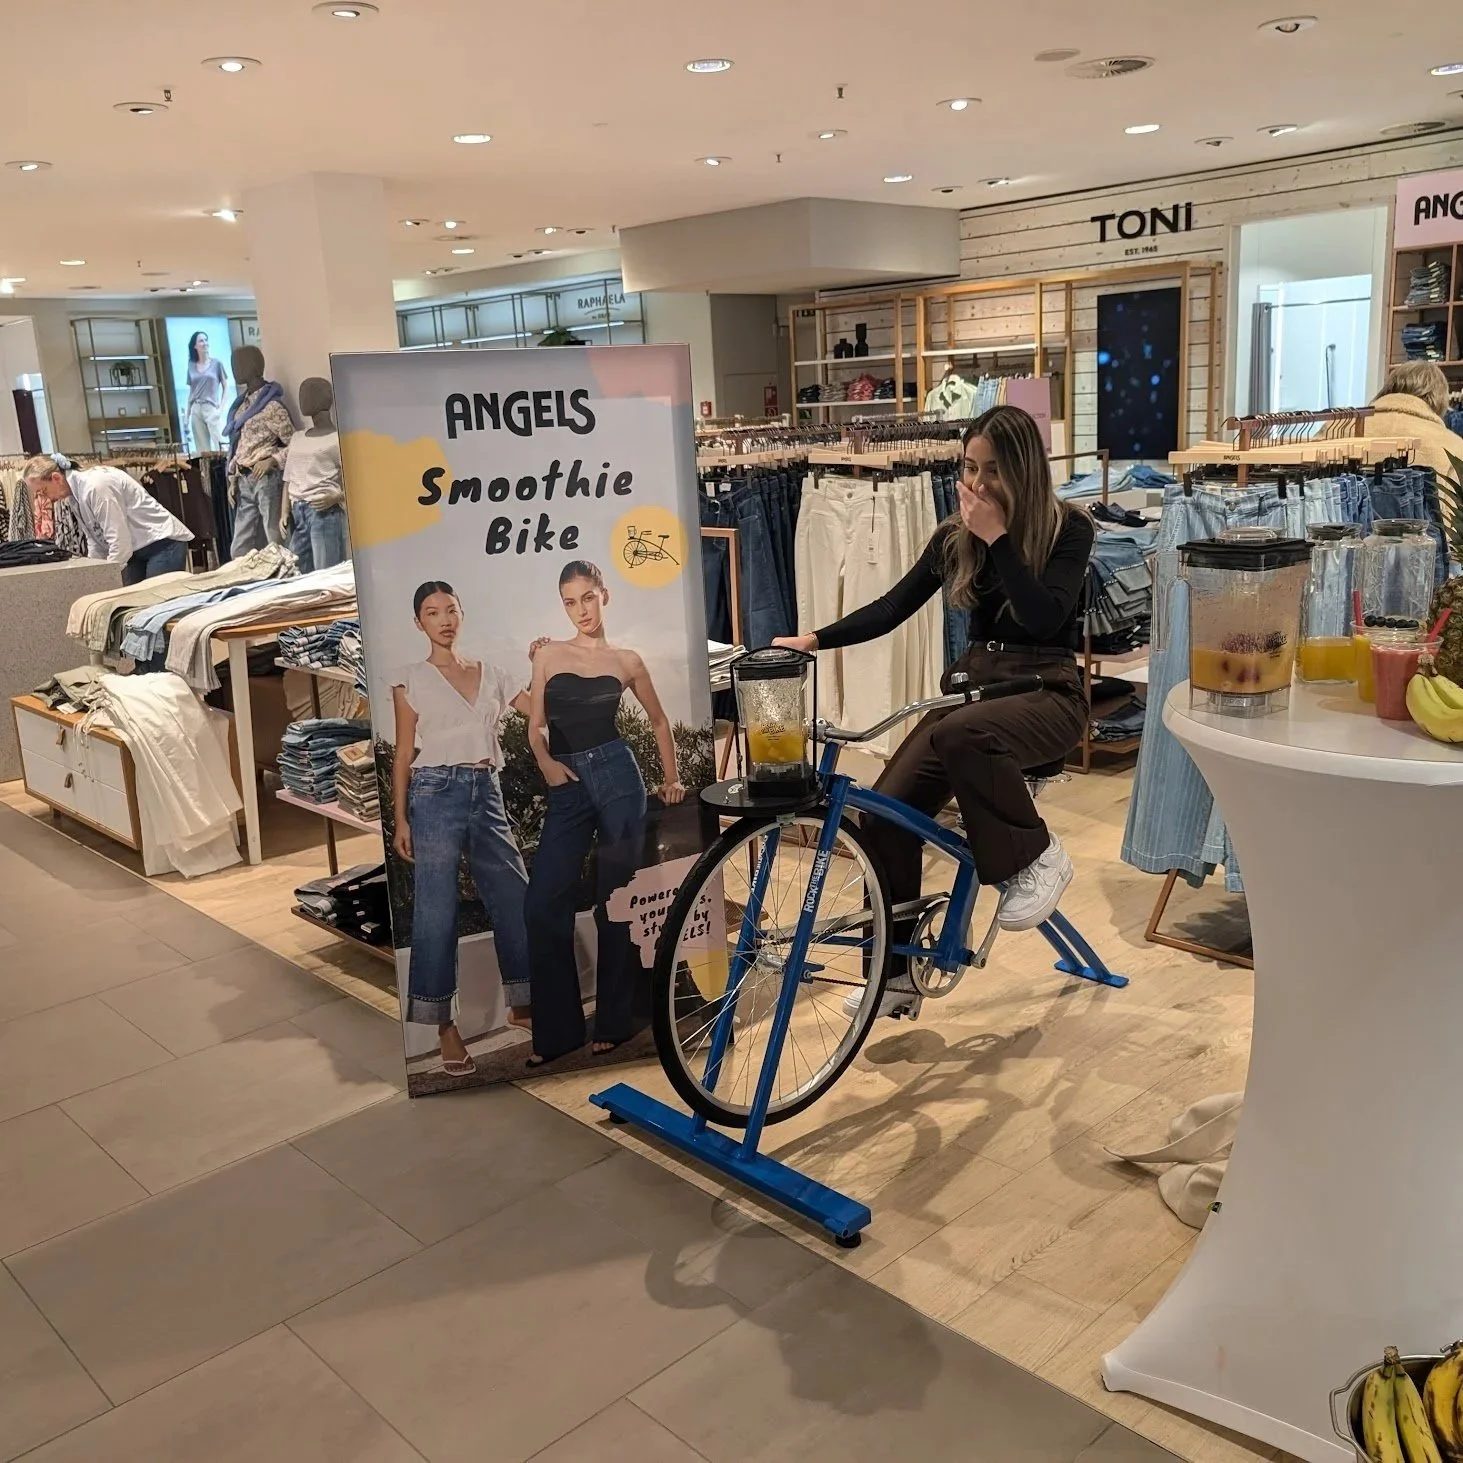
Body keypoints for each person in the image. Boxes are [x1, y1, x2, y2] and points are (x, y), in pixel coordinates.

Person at [774, 405, 1093, 1014]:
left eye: (993, 470)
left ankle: (1038, 854)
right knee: (885, 816)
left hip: (1047, 690)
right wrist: (815, 638)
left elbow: (1045, 617)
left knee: (963, 736)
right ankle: (894, 974)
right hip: (975, 688)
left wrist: (1000, 539)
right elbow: (893, 606)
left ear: (1023, 471)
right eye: (969, 467)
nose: (976, 483)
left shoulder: (1068, 528)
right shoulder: (955, 536)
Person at [523, 560, 686, 1066]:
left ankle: (616, 1021)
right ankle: (557, 1033)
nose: (581, 610)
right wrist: (547, 763)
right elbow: (535, 724)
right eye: (570, 601)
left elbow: (659, 722)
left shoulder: (628, 660)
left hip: (619, 777)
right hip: (568, 782)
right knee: (542, 902)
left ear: (604, 595)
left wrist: (672, 778)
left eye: (588, 598)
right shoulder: (547, 654)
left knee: (615, 901)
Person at [391, 581, 536, 1078]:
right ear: (419, 623)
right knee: (437, 909)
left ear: (462, 614)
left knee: (516, 895)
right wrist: (401, 818)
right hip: (434, 793)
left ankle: (523, 1003)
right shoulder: (410, 678)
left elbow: (537, 712)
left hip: (485, 787)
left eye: (451, 610)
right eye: (432, 613)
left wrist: (549, 661)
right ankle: (444, 1028)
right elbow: (405, 752)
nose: (444, 619)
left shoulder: (492, 673)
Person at [21, 453, 193, 585]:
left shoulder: (97, 486)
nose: (44, 499)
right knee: (131, 608)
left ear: (56, 478)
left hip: (162, 544)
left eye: (43, 491)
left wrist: (105, 580)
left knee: (155, 608)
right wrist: (97, 574)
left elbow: (119, 539)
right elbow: (95, 540)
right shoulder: (74, 496)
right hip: (136, 550)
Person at [1367, 361, 1463, 536]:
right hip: (1419, 557)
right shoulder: (1454, 449)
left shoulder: (1338, 428)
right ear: (1440, 398)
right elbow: (1454, 536)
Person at [184, 331, 229, 454]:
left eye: (206, 340)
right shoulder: (191, 366)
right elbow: (191, 392)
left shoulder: (216, 364)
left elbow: (226, 387)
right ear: (195, 345)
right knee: (202, 449)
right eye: (201, 341)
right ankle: (206, 472)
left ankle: (227, 470)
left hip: (211, 407)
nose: (205, 343)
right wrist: (186, 416)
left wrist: (221, 409)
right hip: (196, 408)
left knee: (221, 443)